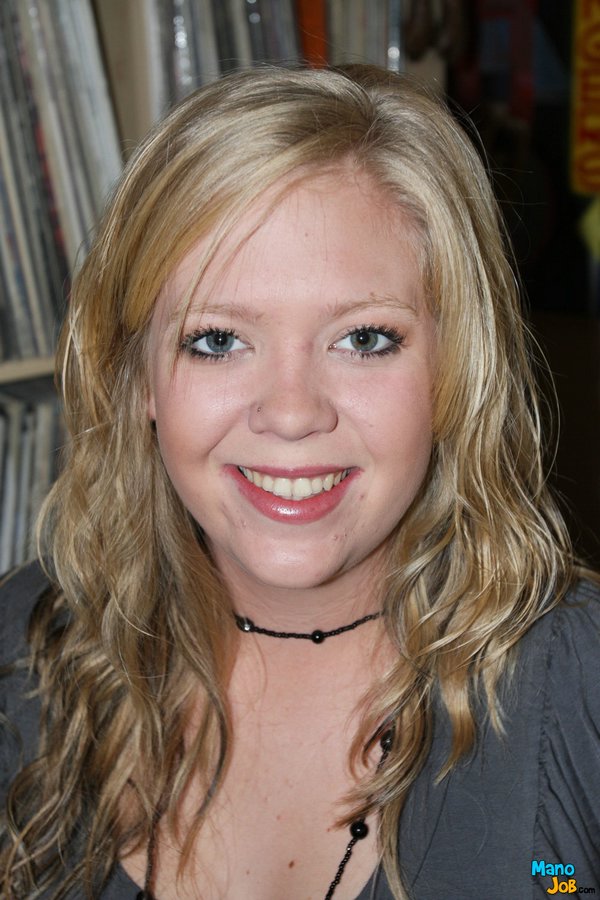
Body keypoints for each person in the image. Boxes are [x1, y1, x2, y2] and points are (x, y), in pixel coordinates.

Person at [1, 64, 599, 900]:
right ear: (135, 378)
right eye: (217, 340)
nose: (290, 413)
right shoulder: (22, 654)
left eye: (363, 339)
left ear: (456, 369)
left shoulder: (577, 683)